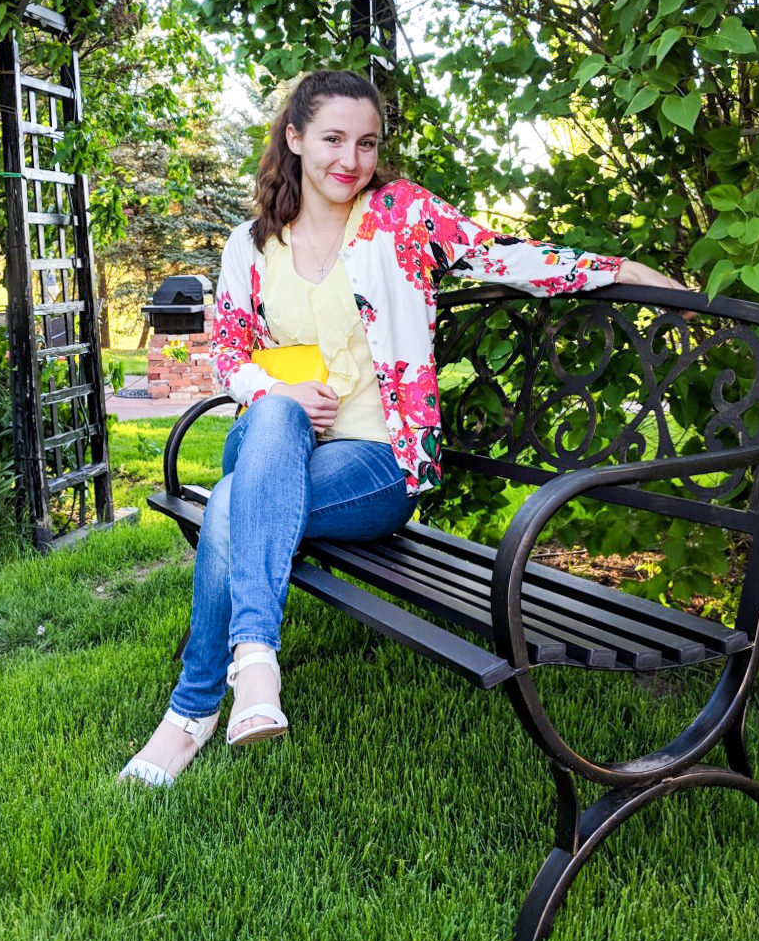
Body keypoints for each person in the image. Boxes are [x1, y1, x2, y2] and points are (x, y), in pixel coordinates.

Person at [120, 69, 687, 787]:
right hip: (274, 443)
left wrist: (617, 268)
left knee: (233, 505)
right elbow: (231, 355)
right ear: (294, 138)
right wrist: (280, 387)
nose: (349, 160)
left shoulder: (399, 216)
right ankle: (247, 670)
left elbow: (501, 255)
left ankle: (204, 703)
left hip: (376, 466)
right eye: (331, 138)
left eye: (366, 142)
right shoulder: (250, 245)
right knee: (274, 418)